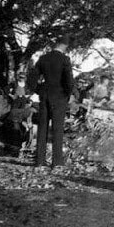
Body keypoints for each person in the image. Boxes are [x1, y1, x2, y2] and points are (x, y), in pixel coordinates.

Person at [27, 36, 74, 167]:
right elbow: (69, 81)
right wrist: (68, 94)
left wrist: (39, 90)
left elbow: (31, 79)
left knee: (42, 128)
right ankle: (56, 162)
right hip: (59, 97)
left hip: (45, 95)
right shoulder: (65, 59)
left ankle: (39, 162)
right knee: (57, 129)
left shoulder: (43, 58)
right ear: (64, 46)